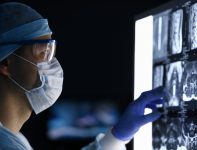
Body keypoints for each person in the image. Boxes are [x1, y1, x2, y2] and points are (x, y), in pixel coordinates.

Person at [0, 2, 166, 150]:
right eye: (43, 52)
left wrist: (117, 136)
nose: (52, 64)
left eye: (52, 52)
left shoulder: (13, 137)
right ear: (6, 64)